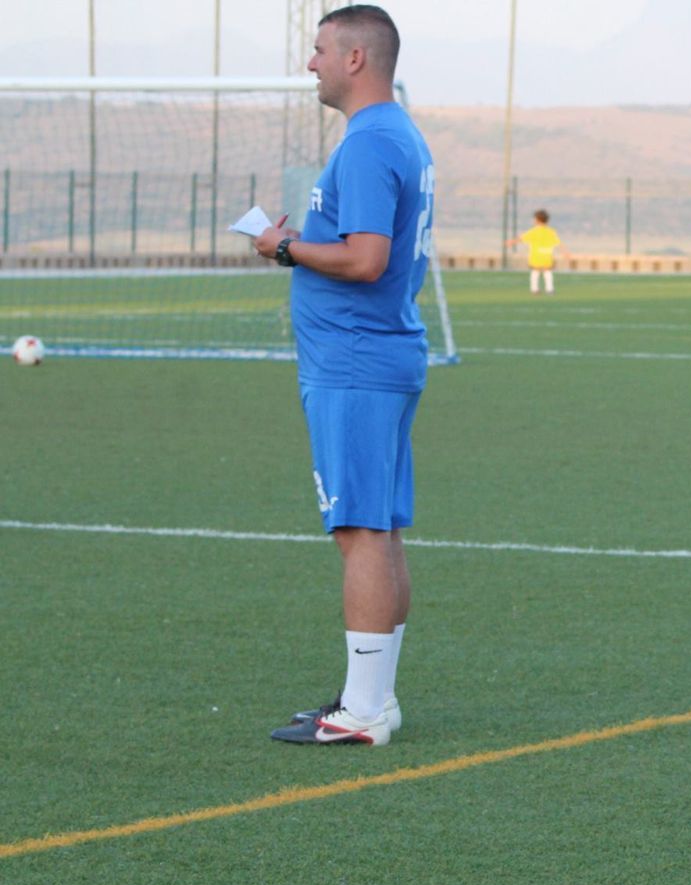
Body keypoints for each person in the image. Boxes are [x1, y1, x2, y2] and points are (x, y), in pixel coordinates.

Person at [253, 4, 435, 747]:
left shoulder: (368, 143)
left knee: (361, 530)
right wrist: (306, 240)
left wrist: (284, 248)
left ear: (356, 58)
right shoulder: (396, 133)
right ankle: (373, 699)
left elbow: (364, 259)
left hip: (356, 361)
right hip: (377, 355)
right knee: (379, 530)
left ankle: (363, 713)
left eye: (321, 49)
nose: (311, 63)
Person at [509, 208, 562, 295]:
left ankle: (534, 289)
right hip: (547, 256)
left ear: (537, 220)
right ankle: (549, 289)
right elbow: (558, 242)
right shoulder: (551, 231)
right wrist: (566, 253)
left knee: (535, 272)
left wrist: (511, 242)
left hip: (536, 256)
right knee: (547, 272)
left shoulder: (534, 231)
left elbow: (521, 238)